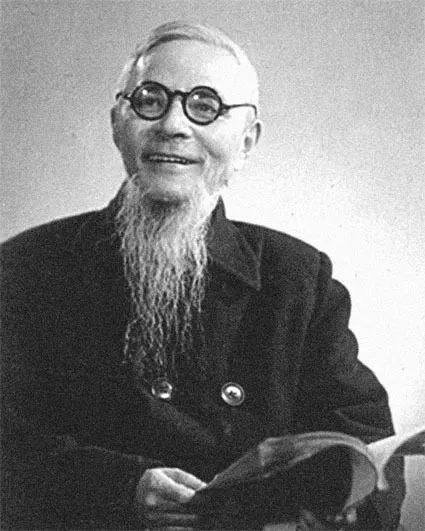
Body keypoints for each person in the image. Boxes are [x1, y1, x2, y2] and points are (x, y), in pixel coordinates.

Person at [1, 21, 405, 530]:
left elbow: (367, 451)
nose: (173, 125)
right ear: (117, 124)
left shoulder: (299, 280)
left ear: (246, 141)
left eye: (205, 106)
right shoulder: (25, 271)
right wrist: (118, 490)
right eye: (150, 100)